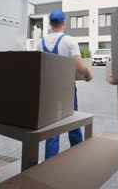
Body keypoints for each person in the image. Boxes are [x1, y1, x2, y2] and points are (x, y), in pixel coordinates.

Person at [37, 9, 93, 160]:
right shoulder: (69, 41)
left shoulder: (40, 43)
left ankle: (49, 165)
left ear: (50, 24)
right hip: (67, 89)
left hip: (48, 90)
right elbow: (80, 67)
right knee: (73, 123)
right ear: (63, 23)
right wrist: (88, 75)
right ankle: (78, 159)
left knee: (52, 128)